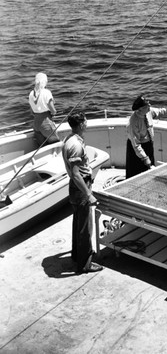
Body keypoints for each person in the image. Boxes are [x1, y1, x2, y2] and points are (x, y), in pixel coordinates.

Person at [62, 111, 103, 274]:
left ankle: (76, 255)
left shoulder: (69, 139)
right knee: (85, 228)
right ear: (80, 125)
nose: (87, 123)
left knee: (78, 223)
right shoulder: (76, 146)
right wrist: (88, 194)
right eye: (85, 121)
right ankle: (85, 264)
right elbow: (76, 173)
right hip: (80, 187)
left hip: (74, 188)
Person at [126, 94, 167, 179]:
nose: (149, 105)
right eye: (147, 105)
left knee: (149, 169)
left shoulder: (148, 111)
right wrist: (145, 158)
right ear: (140, 109)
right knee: (135, 173)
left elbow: (161, 112)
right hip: (136, 149)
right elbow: (136, 144)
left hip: (148, 145)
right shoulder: (133, 122)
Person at [28, 72, 60, 146]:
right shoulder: (46, 92)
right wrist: (54, 112)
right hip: (46, 123)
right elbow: (51, 107)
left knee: (42, 146)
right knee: (55, 144)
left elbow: (32, 111)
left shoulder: (31, 94)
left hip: (36, 123)